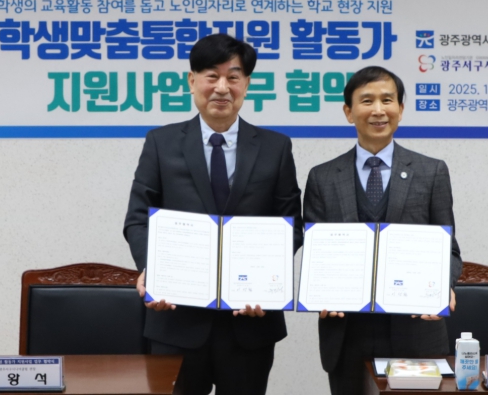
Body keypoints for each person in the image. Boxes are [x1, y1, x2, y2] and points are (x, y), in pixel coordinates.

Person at [123, 33, 303, 395]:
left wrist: (266, 282)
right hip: (176, 316)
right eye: (211, 76)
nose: (222, 88)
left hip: (250, 321)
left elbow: (291, 225)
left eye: (233, 77)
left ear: (246, 84)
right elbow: (138, 218)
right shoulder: (161, 142)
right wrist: (153, 270)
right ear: (192, 81)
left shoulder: (275, 147)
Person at [303, 66, 462, 395]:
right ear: (349, 112)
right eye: (366, 101)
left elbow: (449, 250)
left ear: (400, 109)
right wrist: (319, 291)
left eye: (387, 100)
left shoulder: (431, 172)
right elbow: (315, 252)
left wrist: (442, 285)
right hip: (346, 332)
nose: (378, 110)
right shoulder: (322, 177)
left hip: (415, 331)